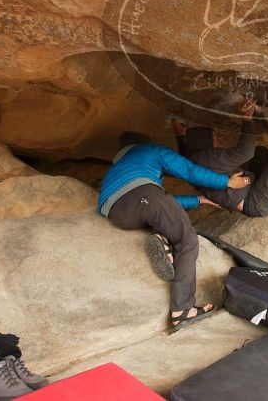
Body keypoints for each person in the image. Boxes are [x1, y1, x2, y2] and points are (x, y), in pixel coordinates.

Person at [98, 131, 250, 331]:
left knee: (162, 219)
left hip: (116, 213)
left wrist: (197, 200)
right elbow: (188, 170)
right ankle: (183, 310)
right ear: (143, 142)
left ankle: (164, 243)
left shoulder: (119, 168)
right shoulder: (151, 150)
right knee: (188, 240)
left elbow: (159, 202)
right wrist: (226, 182)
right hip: (144, 197)